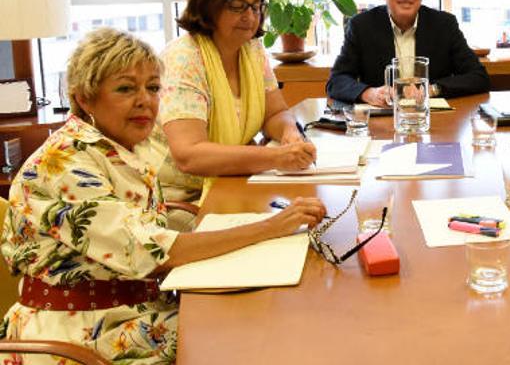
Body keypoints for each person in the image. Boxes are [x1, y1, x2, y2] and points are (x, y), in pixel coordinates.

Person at [0, 28, 326, 364]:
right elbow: (153, 252)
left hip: (133, 309)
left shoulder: (119, 148)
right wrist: (271, 226)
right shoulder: (63, 163)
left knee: (265, 318)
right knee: (251, 339)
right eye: (126, 88)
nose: (145, 100)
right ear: (85, 97)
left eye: (153, 88)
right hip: (84, 332)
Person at [158, 0, 316, 204]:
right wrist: (275, 158)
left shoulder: (251, 50)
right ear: (210, 6)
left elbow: (275, 113)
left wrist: (289, 133)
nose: (250, 16)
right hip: (184, 199)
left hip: (236, 180)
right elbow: (188, 155)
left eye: (255, 6)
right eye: (237, 6)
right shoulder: (184, 58)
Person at [325, 0, 490, 105]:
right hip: (382, 121)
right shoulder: (361, 26)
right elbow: (337, 81)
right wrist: (370, 93)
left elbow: (478, 77)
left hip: (433, 120)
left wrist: (432, 90)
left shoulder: (444, 24)